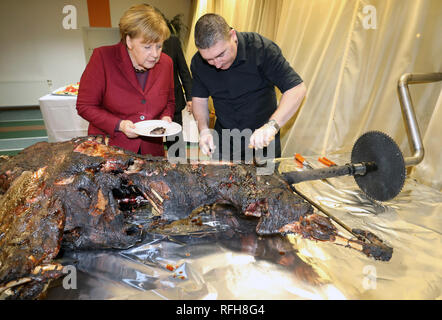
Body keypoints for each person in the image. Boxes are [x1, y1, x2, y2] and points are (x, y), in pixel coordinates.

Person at [190, 13, 307, 161]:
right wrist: (204, 130)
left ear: (232, 36)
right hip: (225, 141)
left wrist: (271, 126)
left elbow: (296, 89)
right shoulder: (198, 63)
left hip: (263, 140)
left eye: (221, 55)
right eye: (209, 60)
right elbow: (199, 100)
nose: (217, 64)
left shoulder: (261, 49)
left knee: (266, 182)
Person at [76, 4, 175, 156]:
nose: (155, 54)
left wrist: (165, 117)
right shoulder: (102, 58)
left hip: (152, 150)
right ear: (129, 41)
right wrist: (119, 125)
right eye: (147, 47)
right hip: (111, 148)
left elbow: (169, 101)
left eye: (159, 46)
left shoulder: (166, 63)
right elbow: (85, 106)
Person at [161, 23, 193, 157]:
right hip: (149, 103)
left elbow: (183, 71)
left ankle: (178, 167)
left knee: (175, 141)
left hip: (174, 100)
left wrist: (190, 97)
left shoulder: (173, 41)